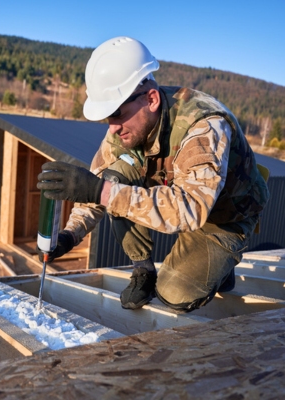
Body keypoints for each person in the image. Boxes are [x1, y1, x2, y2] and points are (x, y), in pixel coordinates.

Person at [37, 36, 270, 313]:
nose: (112, 128)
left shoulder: (204, 125)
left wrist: (101, 190)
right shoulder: (123, 129)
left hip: (225, 216)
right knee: (114, 177)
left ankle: (221, 265)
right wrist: (69, 236)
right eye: (107, 118)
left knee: (174, 294)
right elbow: (98, 184)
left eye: (117, 114)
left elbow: (190, 209)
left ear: (151, 99)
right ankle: (143, 270)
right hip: (180, 200)